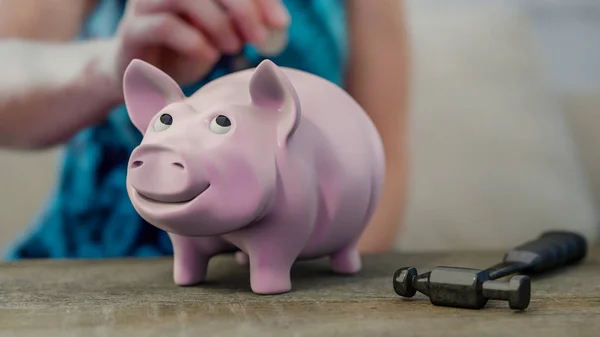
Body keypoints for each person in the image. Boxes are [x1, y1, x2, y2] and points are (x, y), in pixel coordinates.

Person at [0, 0, 409, 259]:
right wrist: (108, 67)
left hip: (294, 263)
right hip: (90, 259)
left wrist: (318, 269)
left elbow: (381, 157)